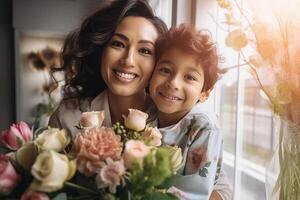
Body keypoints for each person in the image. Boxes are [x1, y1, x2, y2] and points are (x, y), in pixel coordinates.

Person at [48, 0, 231, 199]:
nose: (128, 60)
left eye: (144, 50)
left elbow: (217, 186)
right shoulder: (68, 115)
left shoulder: (174, 117)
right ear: (102, 50)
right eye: (118, 44)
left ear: (156, 61)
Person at [148, 24, 226, 200]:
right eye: (165, 70)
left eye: (189, 77)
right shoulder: (146, 114)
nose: (173, 83)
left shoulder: (204, 127)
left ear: (205, 92)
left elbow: (194, 193)